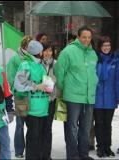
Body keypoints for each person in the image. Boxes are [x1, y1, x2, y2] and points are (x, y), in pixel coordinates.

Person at [54, 26, 98, 160]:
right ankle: (72, 155)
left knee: (86, 128)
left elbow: (93, 73)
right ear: (78, 37)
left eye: (89, 37)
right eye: (84, 37)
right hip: (73, 96)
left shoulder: (92, 53)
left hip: (88, 97)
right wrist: (63, 88)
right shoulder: (68, 51)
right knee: (72, 128)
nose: (86, 40)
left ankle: (83, 154)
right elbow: (59, 71)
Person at [14, 40, 50, 159]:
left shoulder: (40, 63)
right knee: (33, 138)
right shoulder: (26, 64)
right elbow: (18, 84)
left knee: (41, 137)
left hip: (43, 107)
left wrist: (49, 85)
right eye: (42, 50)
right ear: (38, 52)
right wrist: (36, 86)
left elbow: (42, 80)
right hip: (32, 108)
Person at [6, 35, 33, 158]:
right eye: (29, 45)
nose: (31, 48)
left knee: (32, 125)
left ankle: (31, 149)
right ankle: (18, 150)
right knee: (20, 124)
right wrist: (16, 90)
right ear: (24, 46)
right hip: (21, 96)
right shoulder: (16, 59)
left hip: (33, 96)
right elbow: (11, 77)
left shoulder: (33, 58)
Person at [94, 36, 119, 158]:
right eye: (104, 45)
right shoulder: (95, 59)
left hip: (110, 97)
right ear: (100, 47)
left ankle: (107, 147)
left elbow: (117, 80)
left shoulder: (115, 60)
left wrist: (117, 96)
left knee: (108, 124)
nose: (106, 48)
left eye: (108, 45)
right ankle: (100, 147)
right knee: (99, 123)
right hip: (97, 98)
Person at [40, 43, 57, 160]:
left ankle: (47, 155)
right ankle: (39, 153)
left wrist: (52, 82)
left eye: (50, 51)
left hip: (51, 99)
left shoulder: (56, 64)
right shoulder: (37, 64)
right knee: (39, 127)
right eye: (45, 50)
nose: (47, 53)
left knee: (48, 127)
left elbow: (59, 78)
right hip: (39, 100)